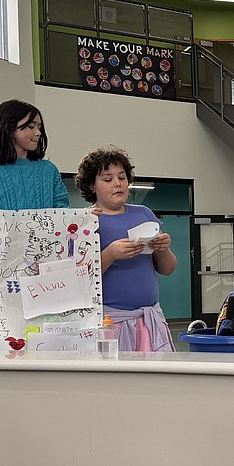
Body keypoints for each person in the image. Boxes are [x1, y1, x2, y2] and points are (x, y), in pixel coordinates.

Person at [75, 145, 175, 352]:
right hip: (108, 324)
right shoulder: (85, 221)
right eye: (107, 179)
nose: (117, 184)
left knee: (156, 381)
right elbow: (79, 278)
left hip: (149, 320)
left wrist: (163, 249)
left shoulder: (144, 214)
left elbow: (167, 269)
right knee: (115, 383)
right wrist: (110, 254)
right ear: (92, 185)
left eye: (122, 177)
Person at [0, 100, 69, 211]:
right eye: (31, 126)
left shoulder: (49, 170)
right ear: (9, 128)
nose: (38, 132)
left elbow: (63, 213)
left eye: (39, 127)